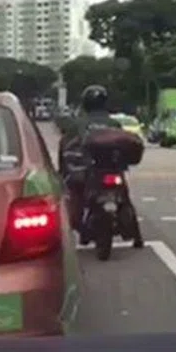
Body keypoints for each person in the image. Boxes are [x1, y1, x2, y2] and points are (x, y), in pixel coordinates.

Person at [58, 85, 144, 248]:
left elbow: (65, 149)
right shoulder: (114, 123)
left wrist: (64, 171)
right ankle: (136, 236)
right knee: (125, 197)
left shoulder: (77, 125)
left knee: (74, 200)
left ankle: (85, 231)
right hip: (112, 169)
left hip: (87, 172)